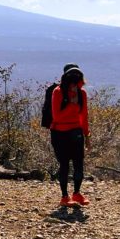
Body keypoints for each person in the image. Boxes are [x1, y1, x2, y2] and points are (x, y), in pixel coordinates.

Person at [50, 63, 90, 207]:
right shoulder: (58, 92)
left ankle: (77, 193)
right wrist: (72, 105)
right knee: (64, 164)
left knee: (79, 163)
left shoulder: (82, 93)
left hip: (76, 132)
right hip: (59, 133)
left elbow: (83, 115)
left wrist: (87, 134)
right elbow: (57, 117)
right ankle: (64, 196)